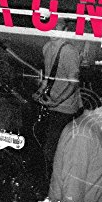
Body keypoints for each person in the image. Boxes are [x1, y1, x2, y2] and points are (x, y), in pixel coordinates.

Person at [32, 19, 82, 182]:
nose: (53, 29)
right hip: (52, 105)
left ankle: (55, 184)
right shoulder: (47, 47)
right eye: (50, 26)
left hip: (65, 108)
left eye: (57, 26)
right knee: (46, 147)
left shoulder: (69, 51)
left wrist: (57, 101)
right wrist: (40, 92)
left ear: (65, 29)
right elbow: (48, 77)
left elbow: (74, 83)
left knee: (53, 151)